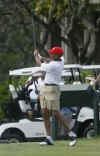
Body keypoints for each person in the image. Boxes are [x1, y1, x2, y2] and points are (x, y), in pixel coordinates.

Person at [34, 46, 77, 146]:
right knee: (44, 112)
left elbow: (40, 65)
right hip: (45, 88)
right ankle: (49, 138)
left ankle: (71, 134)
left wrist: (36, 56)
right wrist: (42, 57)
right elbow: (48, 60)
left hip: (52, 89)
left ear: (57, 55)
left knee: (56, 113)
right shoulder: (60, 60)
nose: (51, 54)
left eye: (53, 53)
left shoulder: (54, 65)